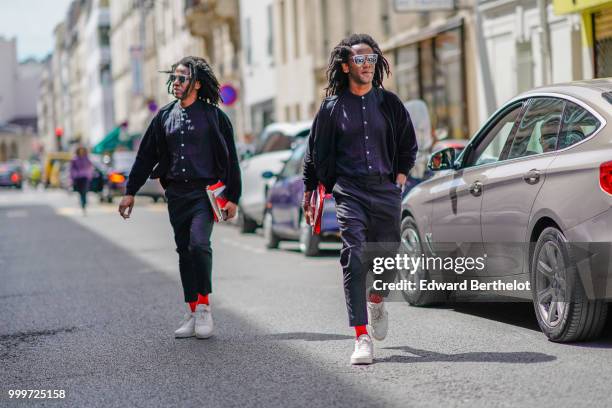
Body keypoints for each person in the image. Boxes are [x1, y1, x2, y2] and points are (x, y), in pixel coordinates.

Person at [303, 34, 418, 365]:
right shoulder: (330, 109)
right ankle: (361, 336)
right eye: (360, 60)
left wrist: (399, 177)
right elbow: (314, 152)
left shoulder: (389, 103)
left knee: (388, 258)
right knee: (353, 256)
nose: (367, 66)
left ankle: (376, 298)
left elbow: (408, 143)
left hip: (384, 190)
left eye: (372, 60)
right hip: (349, 191)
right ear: (345, 64)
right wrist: (311, 190)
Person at [118, 56, 241, 339]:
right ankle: (191, 309)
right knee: (184, 251)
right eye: (174, 77)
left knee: (199, 244)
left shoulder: (214, 116)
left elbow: (231, 158)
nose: (176, 82)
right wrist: (130, 192)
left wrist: (233, 196)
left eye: (182, 78)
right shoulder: (163, 116)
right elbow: (145, 156)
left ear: (196, 84)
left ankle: (205, 308)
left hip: (204, 194)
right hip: (176, 194)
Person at [70, 146, 93, 215]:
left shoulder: (87, 158)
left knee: (84, 191)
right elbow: (72, 169)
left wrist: (90, 175)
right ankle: (83, 203)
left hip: (85, 177)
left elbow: (90, 167)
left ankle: (84, 204)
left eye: (82, 150)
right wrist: (72, 178)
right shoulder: (75, 159)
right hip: (78, 177)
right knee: (80, 192)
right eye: (80, 150)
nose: (81, 152)